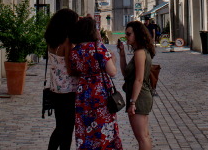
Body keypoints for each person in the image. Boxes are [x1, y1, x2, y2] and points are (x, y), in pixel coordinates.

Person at [68, 16, 123, 149]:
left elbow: (73, 70)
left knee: (85, 127)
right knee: (103, 126)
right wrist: (113, 59)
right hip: (100, 92)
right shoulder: (99, 48)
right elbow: (112, 72)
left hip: (83, 93)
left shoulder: (75, 51)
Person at [44, 8, 79, 150]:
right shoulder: (67, 42)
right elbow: (70, 70)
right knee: (67, 128)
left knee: (60, 126)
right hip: (68, 91)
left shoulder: (52, 41)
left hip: (55, 89)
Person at [117, 21, 155, 150]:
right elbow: (126, 74)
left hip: (139, 96)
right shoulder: (140, 51)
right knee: (144, 136)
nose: (126, 36)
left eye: (129, 34)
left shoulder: (140, 52)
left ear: (137, 34)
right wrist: (122, 54)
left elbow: (138, 79)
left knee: (142, 137)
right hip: (140, 95)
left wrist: (133, 102)